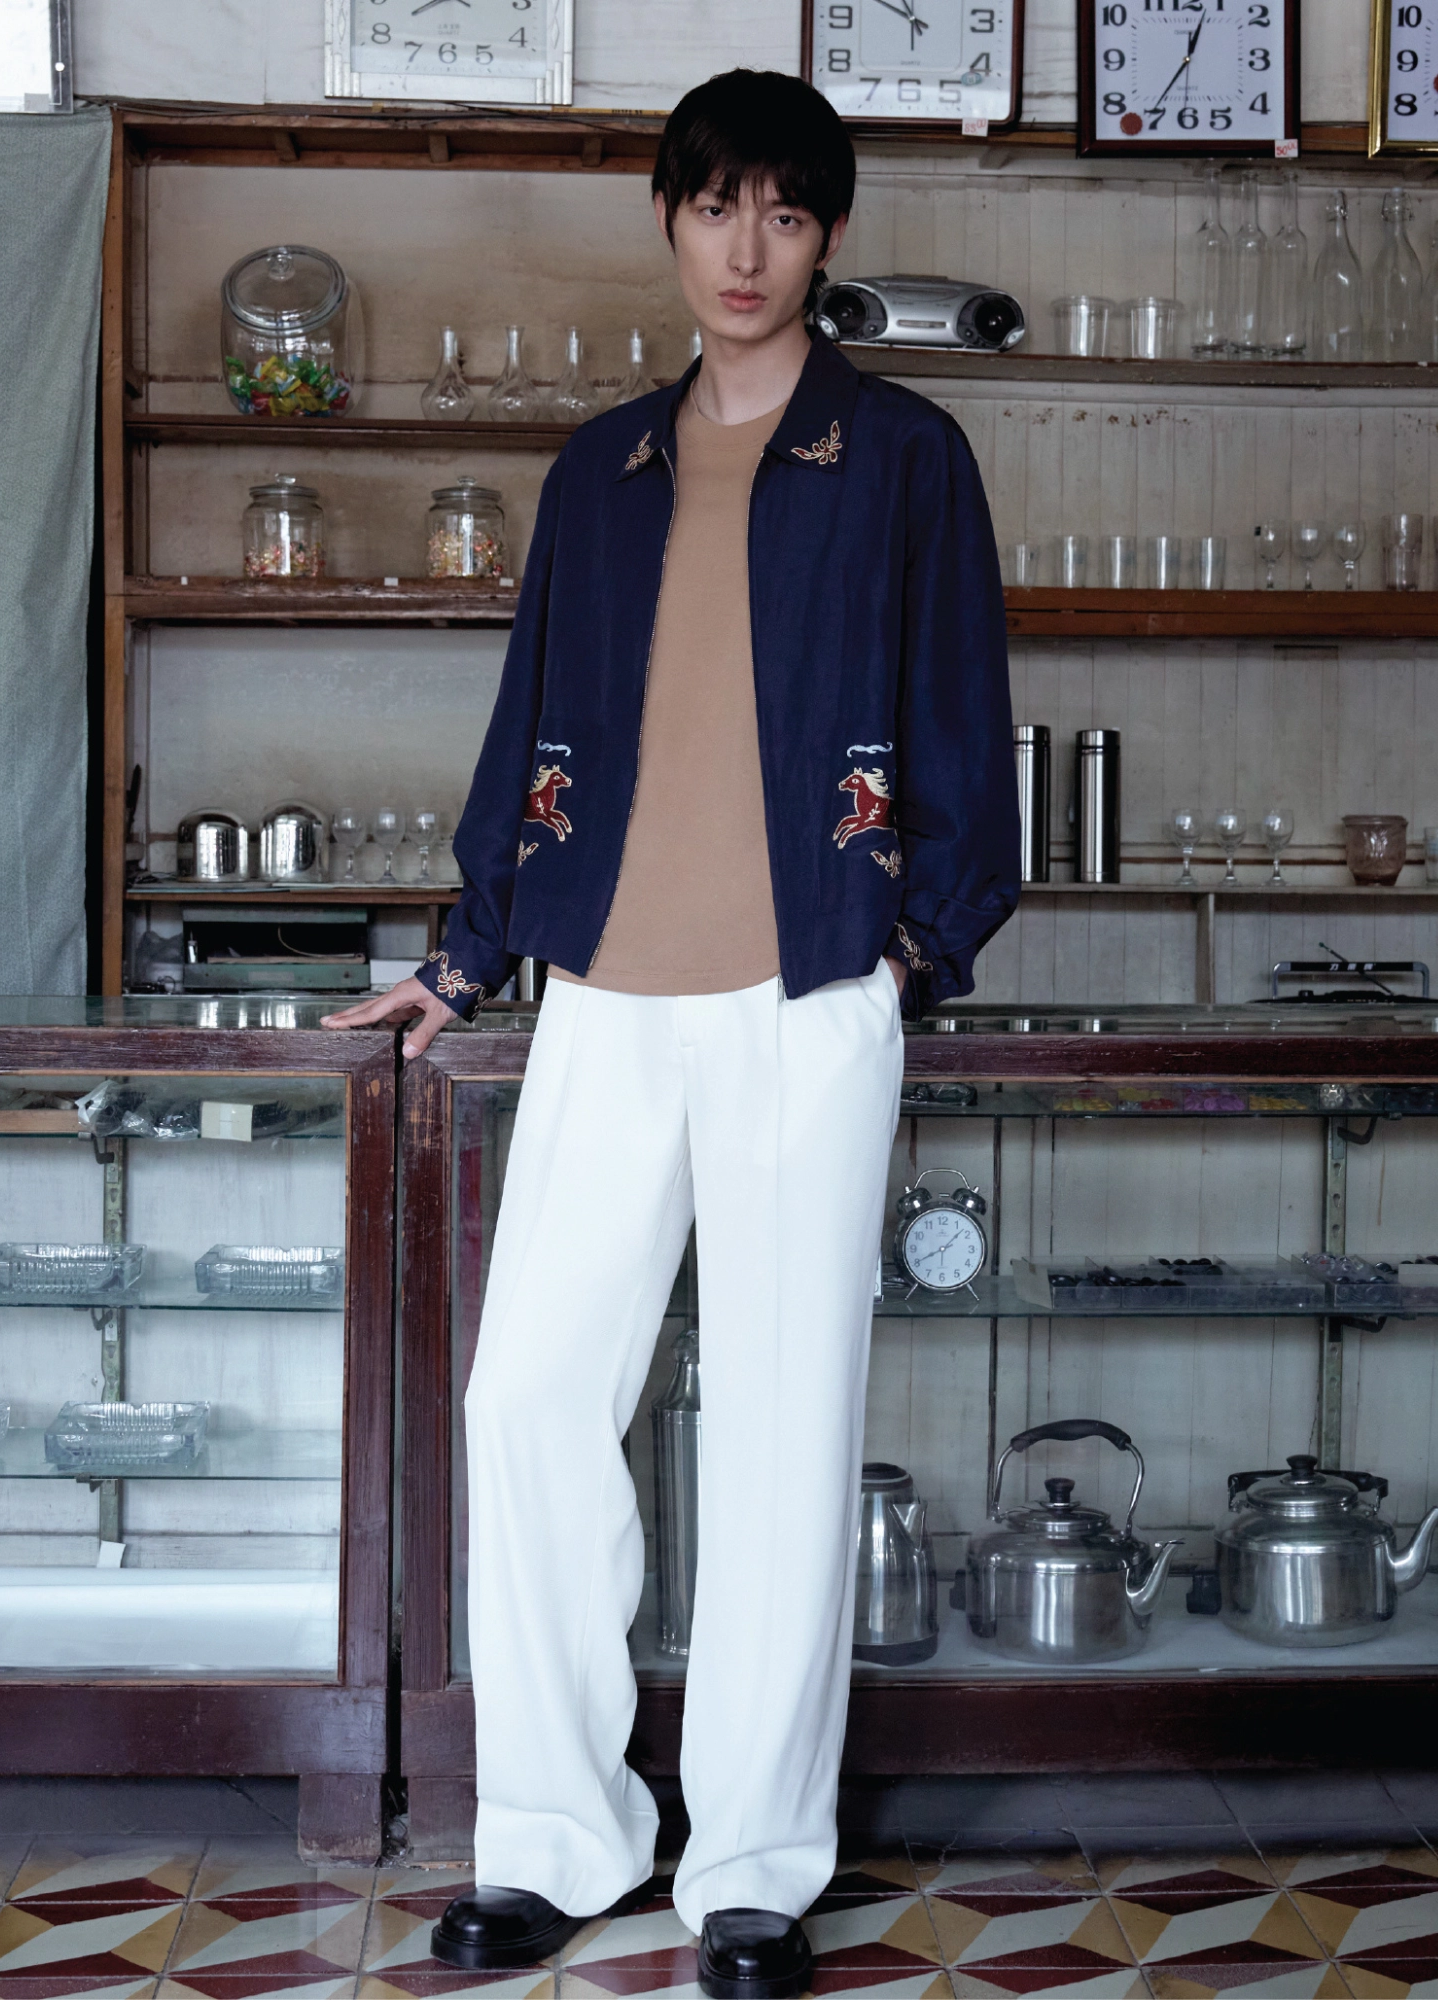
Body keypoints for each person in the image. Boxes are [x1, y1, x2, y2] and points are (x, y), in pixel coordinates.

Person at [325, 66, 1018, 1999]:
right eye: (716, 206)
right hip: (604, 999)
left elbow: (965, 728)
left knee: (787, 1431)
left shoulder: (904, 459)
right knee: (530, 1399)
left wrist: (913, 952)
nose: (746, 248)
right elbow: (530, 726)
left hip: (811, 997)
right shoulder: (599, 473)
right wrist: (466, 958)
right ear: (668, 218)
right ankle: (560, 1835)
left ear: (828, 236)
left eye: (786, 213)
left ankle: (755, 1872)